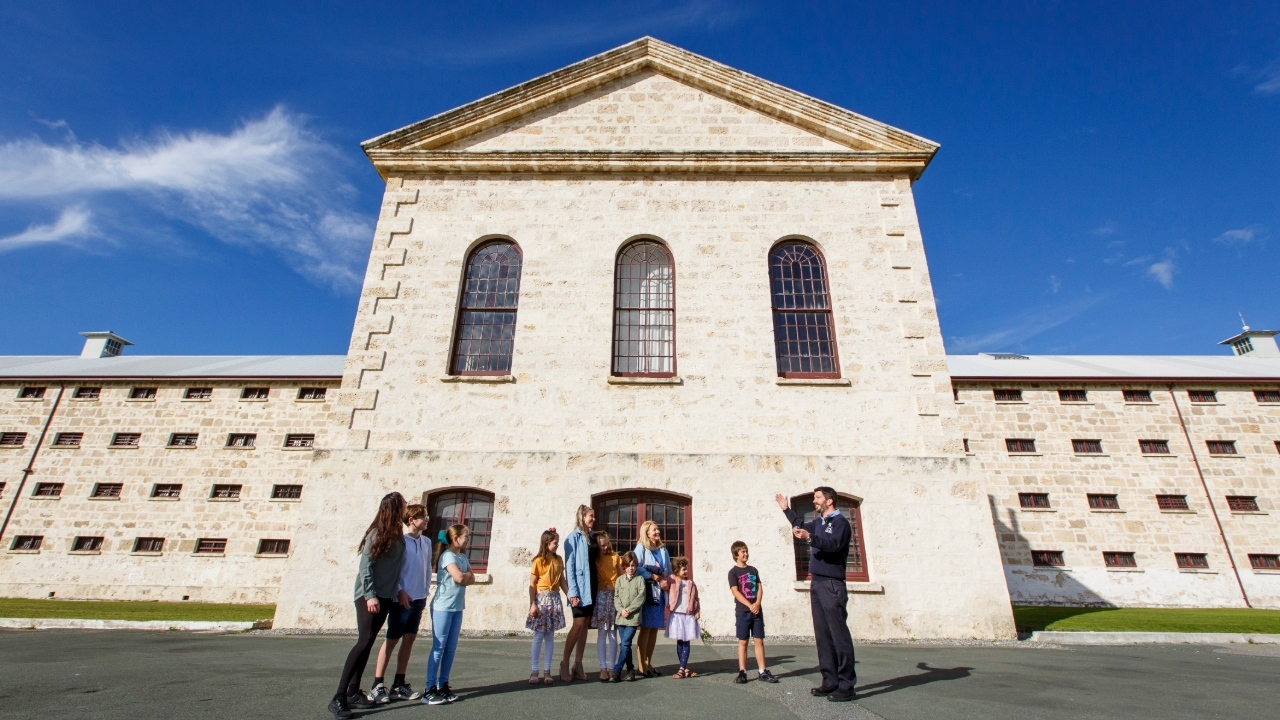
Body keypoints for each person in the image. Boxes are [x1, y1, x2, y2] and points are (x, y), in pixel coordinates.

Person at [329, 492, 407, 720]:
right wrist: (370, 595)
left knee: (370, 641)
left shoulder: (397, 534)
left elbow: (393, 567)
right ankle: (339, 696)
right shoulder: (378, 533)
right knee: (363, 641)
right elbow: (365, 567)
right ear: (395, 508)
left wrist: (398, 590)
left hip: (385, 595)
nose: (406, 507)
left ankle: (354, 693)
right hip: (368, 596)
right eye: (403, 504)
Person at [776, 488, 856, 702]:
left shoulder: (841, 523)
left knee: (838, 634)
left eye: (818, 497)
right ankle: (830, 681)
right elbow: (800, 525)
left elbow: (834, 545)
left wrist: (810, 538)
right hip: (817, 582)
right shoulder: (818, 523)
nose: (814, 501)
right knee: (822, 634)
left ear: (829, 501)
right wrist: (786, 510)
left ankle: (847, 685)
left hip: (832, 583)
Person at [370, 503, 432, 703]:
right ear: (411, 520)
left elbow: (427, 568)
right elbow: (392, 570)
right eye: (423, 516)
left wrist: (425, 592)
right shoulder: (400, 542)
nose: (427, 520)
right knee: (392, 639)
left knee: (409, 640)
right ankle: (377, 684)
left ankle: (399, 683)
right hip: (402, 599)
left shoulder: (427, 542)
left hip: (419, 598)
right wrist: (400, 591)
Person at [422, 524, 475, 706]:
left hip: (457, 607)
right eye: (465, 536)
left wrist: (465, 575)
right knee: (439, 647)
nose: (468, 539)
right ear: (455, 538)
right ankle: (429, 689)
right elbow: (460, 578)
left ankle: (443, 684)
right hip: (442, 607)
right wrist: (464, 576)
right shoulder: (447, 557)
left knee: (450, 648)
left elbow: (471, 578)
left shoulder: (462, 557)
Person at [727, 541, 778, 684]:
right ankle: (742, 671)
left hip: (756, 611)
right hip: (743, 611)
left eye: (746, 551)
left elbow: (759, 587)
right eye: (742, 551)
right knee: (743, 641)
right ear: (736, 554)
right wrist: (749, 605)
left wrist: (757, 603)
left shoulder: (753, 570)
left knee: (759, 640)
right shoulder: (733, 572)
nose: (745, 554)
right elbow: (735, 591)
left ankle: (762, 670)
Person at [526, 528, 568, 685]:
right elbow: (532, 583)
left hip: (554, 598)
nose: (557, 545)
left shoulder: (558, 559)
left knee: (550, 636)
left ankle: (547, 671)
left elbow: (562, 580)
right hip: (541, 599)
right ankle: (534, 670)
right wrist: (533, 603)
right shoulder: (538, 561)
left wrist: (569, 595)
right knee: (538, 636)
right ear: (547, 543)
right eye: (555, 542)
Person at [561, 505, 597, 682]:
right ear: (582, 517)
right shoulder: (572, 538)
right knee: (578, 624)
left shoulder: (591, 537)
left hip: (592, 586)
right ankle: (564, 663)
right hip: (580, 588)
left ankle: (578, 663)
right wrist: (572, 592)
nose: (593, 519)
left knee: (586, 625)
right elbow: (570, 567)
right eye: (591, 516)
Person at [633, 519, 672, 677]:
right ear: (646, 532)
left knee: (655, 628)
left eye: (657, 529)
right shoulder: (641, 548)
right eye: (654, 530)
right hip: (647, 592)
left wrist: (667, 582)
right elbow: (635, 566)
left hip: (659, 593)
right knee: (645, 628)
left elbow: (668, 569)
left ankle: (649, 662)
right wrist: (652, 575)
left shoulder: (662, 549)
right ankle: (641, 664)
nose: (657, 532)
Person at [610, 551, 644, 682]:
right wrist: (621, 610)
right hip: (621, 617)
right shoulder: (619, 580)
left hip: (633, 618)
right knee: (626, 645)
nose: (631, 568)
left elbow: (640, 597)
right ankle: (630, 670)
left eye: (633, 565)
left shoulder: (639, 580)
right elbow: (616, 597)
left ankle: (617, 671)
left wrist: (629, 610)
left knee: (624, 643)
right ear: (624, 566)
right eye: (628, 565)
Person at [665, 556, 701, 679]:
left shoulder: (690, 583)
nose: (686, 571)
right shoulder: (673, 580)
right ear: (676, 571)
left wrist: (697, 610)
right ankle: (684, 668)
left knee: (686, 641)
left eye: (686, 569)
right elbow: (664, 585)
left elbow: (696, 598)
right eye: (683, 570)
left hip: (688, 615)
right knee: (679, 641)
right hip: (677, 615)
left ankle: (681, 668)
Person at [592, 530, 621, 681]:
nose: (604, 547)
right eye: (601, 545)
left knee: (613, 633)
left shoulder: (615, 557)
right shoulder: (596, 559)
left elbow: (621, 577)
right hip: (602, 597)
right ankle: (603, 667)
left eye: (606, 544)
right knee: (602, 633)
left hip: (614, 597)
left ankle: (612, 667)